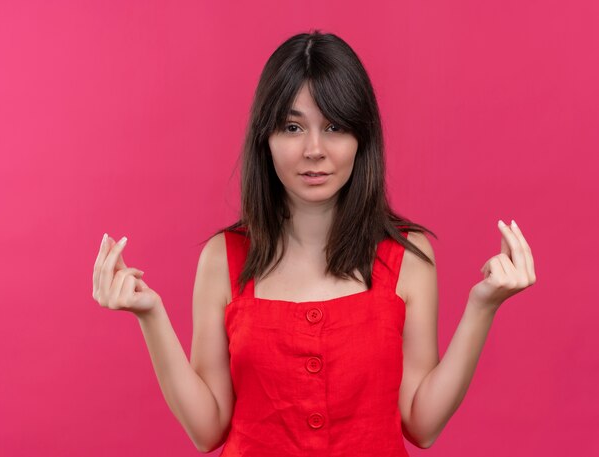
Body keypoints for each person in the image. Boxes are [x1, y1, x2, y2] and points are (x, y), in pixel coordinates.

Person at [92, 31, 536, 456]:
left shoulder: (406, 257)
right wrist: (149, 315)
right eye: (291, 127)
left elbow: (422, 424)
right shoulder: (223, 258)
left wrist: (484, 306)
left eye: (335, 127)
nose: (314, 149)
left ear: (362, 139)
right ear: (264, 139)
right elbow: (207, 430)